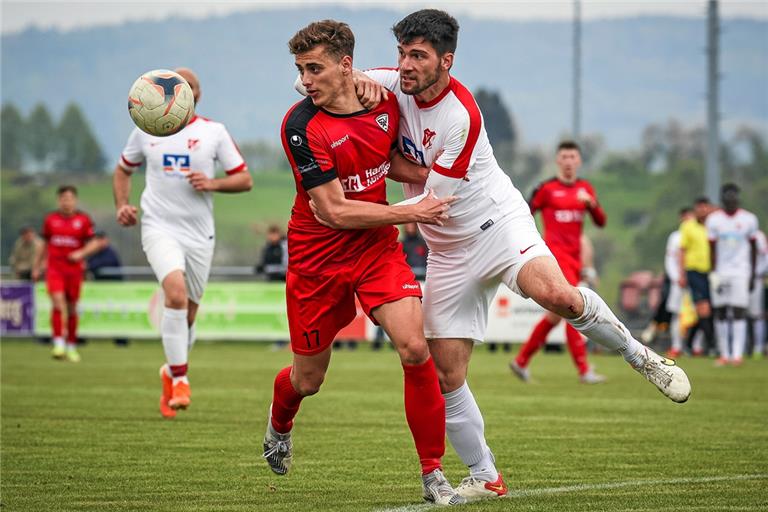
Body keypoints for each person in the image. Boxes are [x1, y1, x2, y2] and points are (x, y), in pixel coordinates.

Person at [349, 9, 691, 501]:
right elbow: (323, 85)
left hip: (497, 226)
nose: (405, 65)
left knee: (559, 297)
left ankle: (641, 357)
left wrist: (352, 204)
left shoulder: (461, 114)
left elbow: (431, 202)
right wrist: (342, 86)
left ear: (447, 60)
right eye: (402, 53)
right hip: (446, 251)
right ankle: (486, 477)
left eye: (418, 56)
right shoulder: (386, 82)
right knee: (447, 375)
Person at [263, 20, 464, 506]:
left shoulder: (385, 103)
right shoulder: (299, 125)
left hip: (375, 249)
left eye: (315, 68)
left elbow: (383, 158)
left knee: (416, 348)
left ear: (346, 65)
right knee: (307, 380)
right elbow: (332, 210)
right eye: (301, 70)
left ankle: (433, 474)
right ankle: (279, 425)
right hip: (317, 260)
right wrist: (409, 210)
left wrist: (436, 174)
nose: (306, 80)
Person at [113, 67, 253, 419]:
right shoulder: (145, 129)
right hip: (159, 226)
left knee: (188, 314)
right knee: (173, 294)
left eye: (187, 87)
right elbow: (123, 169)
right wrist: (122, 205)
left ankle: (170, 370)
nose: (179, 92)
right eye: (174, 86)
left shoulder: (213, 132)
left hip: (199, 233)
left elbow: (245, 180)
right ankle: (180, 378)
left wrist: (212, 183)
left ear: (196, 95)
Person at [510, 141, 607, 384]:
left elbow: (601, 222)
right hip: (555, 258)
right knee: (574, 310)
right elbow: (525, 213)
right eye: (564, 156)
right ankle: (584, 370)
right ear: (557, 160)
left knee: (556, 316)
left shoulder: (585, 189)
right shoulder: (547, 189)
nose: (568, 161)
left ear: (579, 161)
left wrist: (591, 205)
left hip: (574, 259)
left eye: (572, 156)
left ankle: (521, 362)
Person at [32, 186, 103, 362]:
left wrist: (81, 253)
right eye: (63, 198)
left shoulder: (83, 220)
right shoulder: (51, 220)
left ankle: (71, 345)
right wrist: (37, 266)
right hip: (55, 268)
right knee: (57, 303)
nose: (66, 202)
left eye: (70, 198)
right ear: (59, 200)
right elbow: (43, 244)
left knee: (71, 308)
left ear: (75, 200)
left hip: (74, 270)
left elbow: (96, 243)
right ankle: (58, 344)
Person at [706, 184, 759, 366]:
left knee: (738, 311)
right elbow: (711, 249)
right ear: (722, 198)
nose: (731, 199)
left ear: (738, 197)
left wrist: (752, 274)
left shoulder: (749, 219)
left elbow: (753, 248)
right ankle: (724, 353)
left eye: (733, 195)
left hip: (741, 271)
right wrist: (712, 272)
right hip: (721, 271)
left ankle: (737, 354)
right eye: (727, 196)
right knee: (720, 312)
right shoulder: (714, 220)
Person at [679, 197, 716, 356]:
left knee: (709, 311)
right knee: (703, 308)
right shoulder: (688, 226)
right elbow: (683, 250)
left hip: (712, 272)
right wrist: (682, 273)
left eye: (705, 207)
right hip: (694, 271)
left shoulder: (714, 225)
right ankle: (712, 345)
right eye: (699, 207)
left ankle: (688, 342)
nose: (702, 210)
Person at [87, 231, 129, 346]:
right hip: (99, 290)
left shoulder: (110, 252)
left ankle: (121, 340)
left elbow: (99, 264)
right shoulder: (93, 253)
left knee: (116, 314)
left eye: (101, 239)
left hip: (114, 289)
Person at [748, 230, 767, 357]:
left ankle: (758, 348)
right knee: (738, 315)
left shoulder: (758, 236)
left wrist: (756, 274)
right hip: (739, 278)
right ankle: (741, 350)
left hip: (756, 280)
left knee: (757, 315)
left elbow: (765, 258)